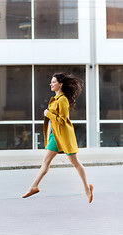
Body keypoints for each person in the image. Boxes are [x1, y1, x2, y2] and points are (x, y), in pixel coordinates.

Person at [22, 72, 93, 203]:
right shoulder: (55, 99)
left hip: (63, 135)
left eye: (53, 82)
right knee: (46, 162)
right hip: (54, 135)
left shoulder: (63, 100)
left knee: (75, 162)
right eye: (51, 82)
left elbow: (62, 120)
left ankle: (87, 188)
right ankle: (33, 186)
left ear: (60, 84)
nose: (51, 84)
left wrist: (48, 114)